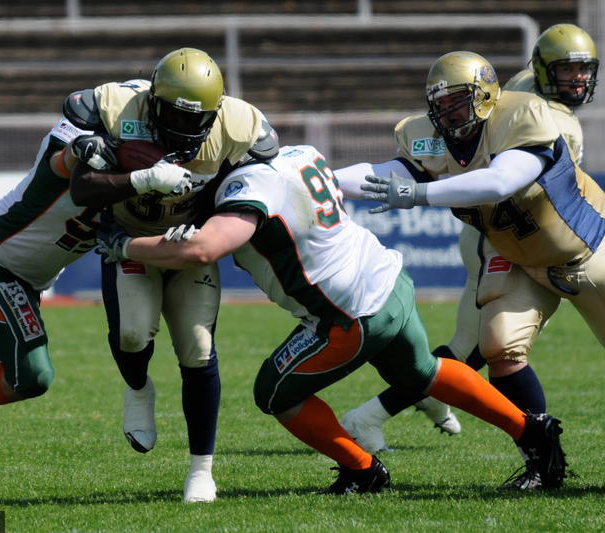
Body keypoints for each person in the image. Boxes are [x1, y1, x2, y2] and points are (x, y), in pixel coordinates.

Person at [95, 144, 568, 493]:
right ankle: (532, 429)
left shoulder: (250, 185)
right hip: (390, 282)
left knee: (273, 393)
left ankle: (362, 469)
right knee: (422, 371)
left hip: (347, 314)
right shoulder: (299, 153)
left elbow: (202, 249)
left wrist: (125, 245)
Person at [338, 24, 600, 457]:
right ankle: (537, 455)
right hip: (503, 241)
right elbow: (399, 173)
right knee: (488, 346)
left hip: (569, 240)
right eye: (566, 69)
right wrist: (318, 180)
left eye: (582, 70)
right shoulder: (501, 110)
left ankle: (384, 411)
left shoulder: (525, 111)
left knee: (469, 349)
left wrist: (419, 194)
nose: (576, 79)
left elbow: (502, 181)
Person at [0, 111, 195, 497]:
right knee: (31, 376)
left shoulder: (133, 184)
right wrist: (100, 159)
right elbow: (63, 161)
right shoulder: (86, 149)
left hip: (27, 277)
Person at [60, 47, 279, 502]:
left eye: (193, 118)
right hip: (130, 237)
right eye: (173, 114)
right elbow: (82, 188)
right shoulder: (120, 109)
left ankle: (202, 470)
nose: (182, 127)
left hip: (189, 243)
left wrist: (212, 220)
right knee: (132, 334)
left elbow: (258, 175)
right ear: (153, 101)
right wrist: (140, 178)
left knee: (198, 349)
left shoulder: (238, 125)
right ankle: (138, 388)